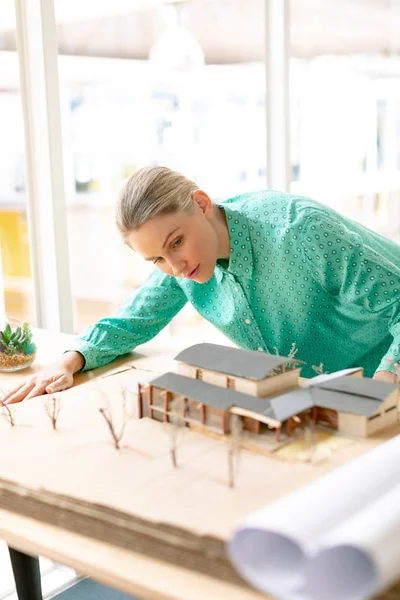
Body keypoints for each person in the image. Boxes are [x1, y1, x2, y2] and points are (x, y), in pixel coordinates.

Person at [2, 166, 400, 405]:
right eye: (156, 258)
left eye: (176, 242)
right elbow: (133, 319)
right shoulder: (183, 265)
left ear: (203, 204)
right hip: (326, 397)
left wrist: (379, 393)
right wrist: (68, 361)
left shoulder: (300, 231)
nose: (173, 266)